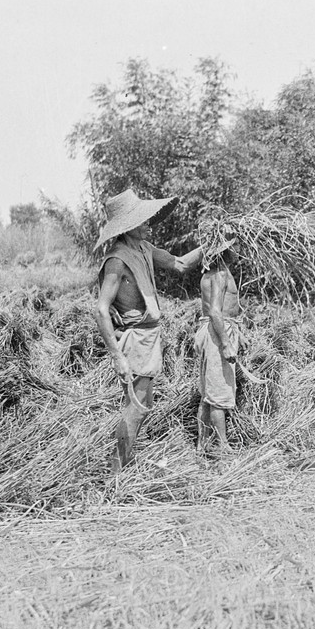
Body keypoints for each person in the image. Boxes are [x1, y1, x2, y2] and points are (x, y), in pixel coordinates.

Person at [94, 189, 203, 472]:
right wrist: (116, 356)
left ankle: (122, 466)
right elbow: (101, 309)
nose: (149, 224)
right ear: (128, 227)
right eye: (143, 221)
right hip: (135, 340)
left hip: (150, 337)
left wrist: (211, 244)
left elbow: (180, 264)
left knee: (142, 406)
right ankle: (116, 475)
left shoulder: (144, 249)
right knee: (136, 407)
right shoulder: (117, 260)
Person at [194, 220, 244, 455]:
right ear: (226, 249)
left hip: (214, 329)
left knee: (208, 393)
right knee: (218, 393)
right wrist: (225, 344)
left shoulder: (211, 273)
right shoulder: (221, 274)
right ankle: (223, 449)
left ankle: (202, 447)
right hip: (217, 331)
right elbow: (215, 311)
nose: (239, 251)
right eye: (236, 246)